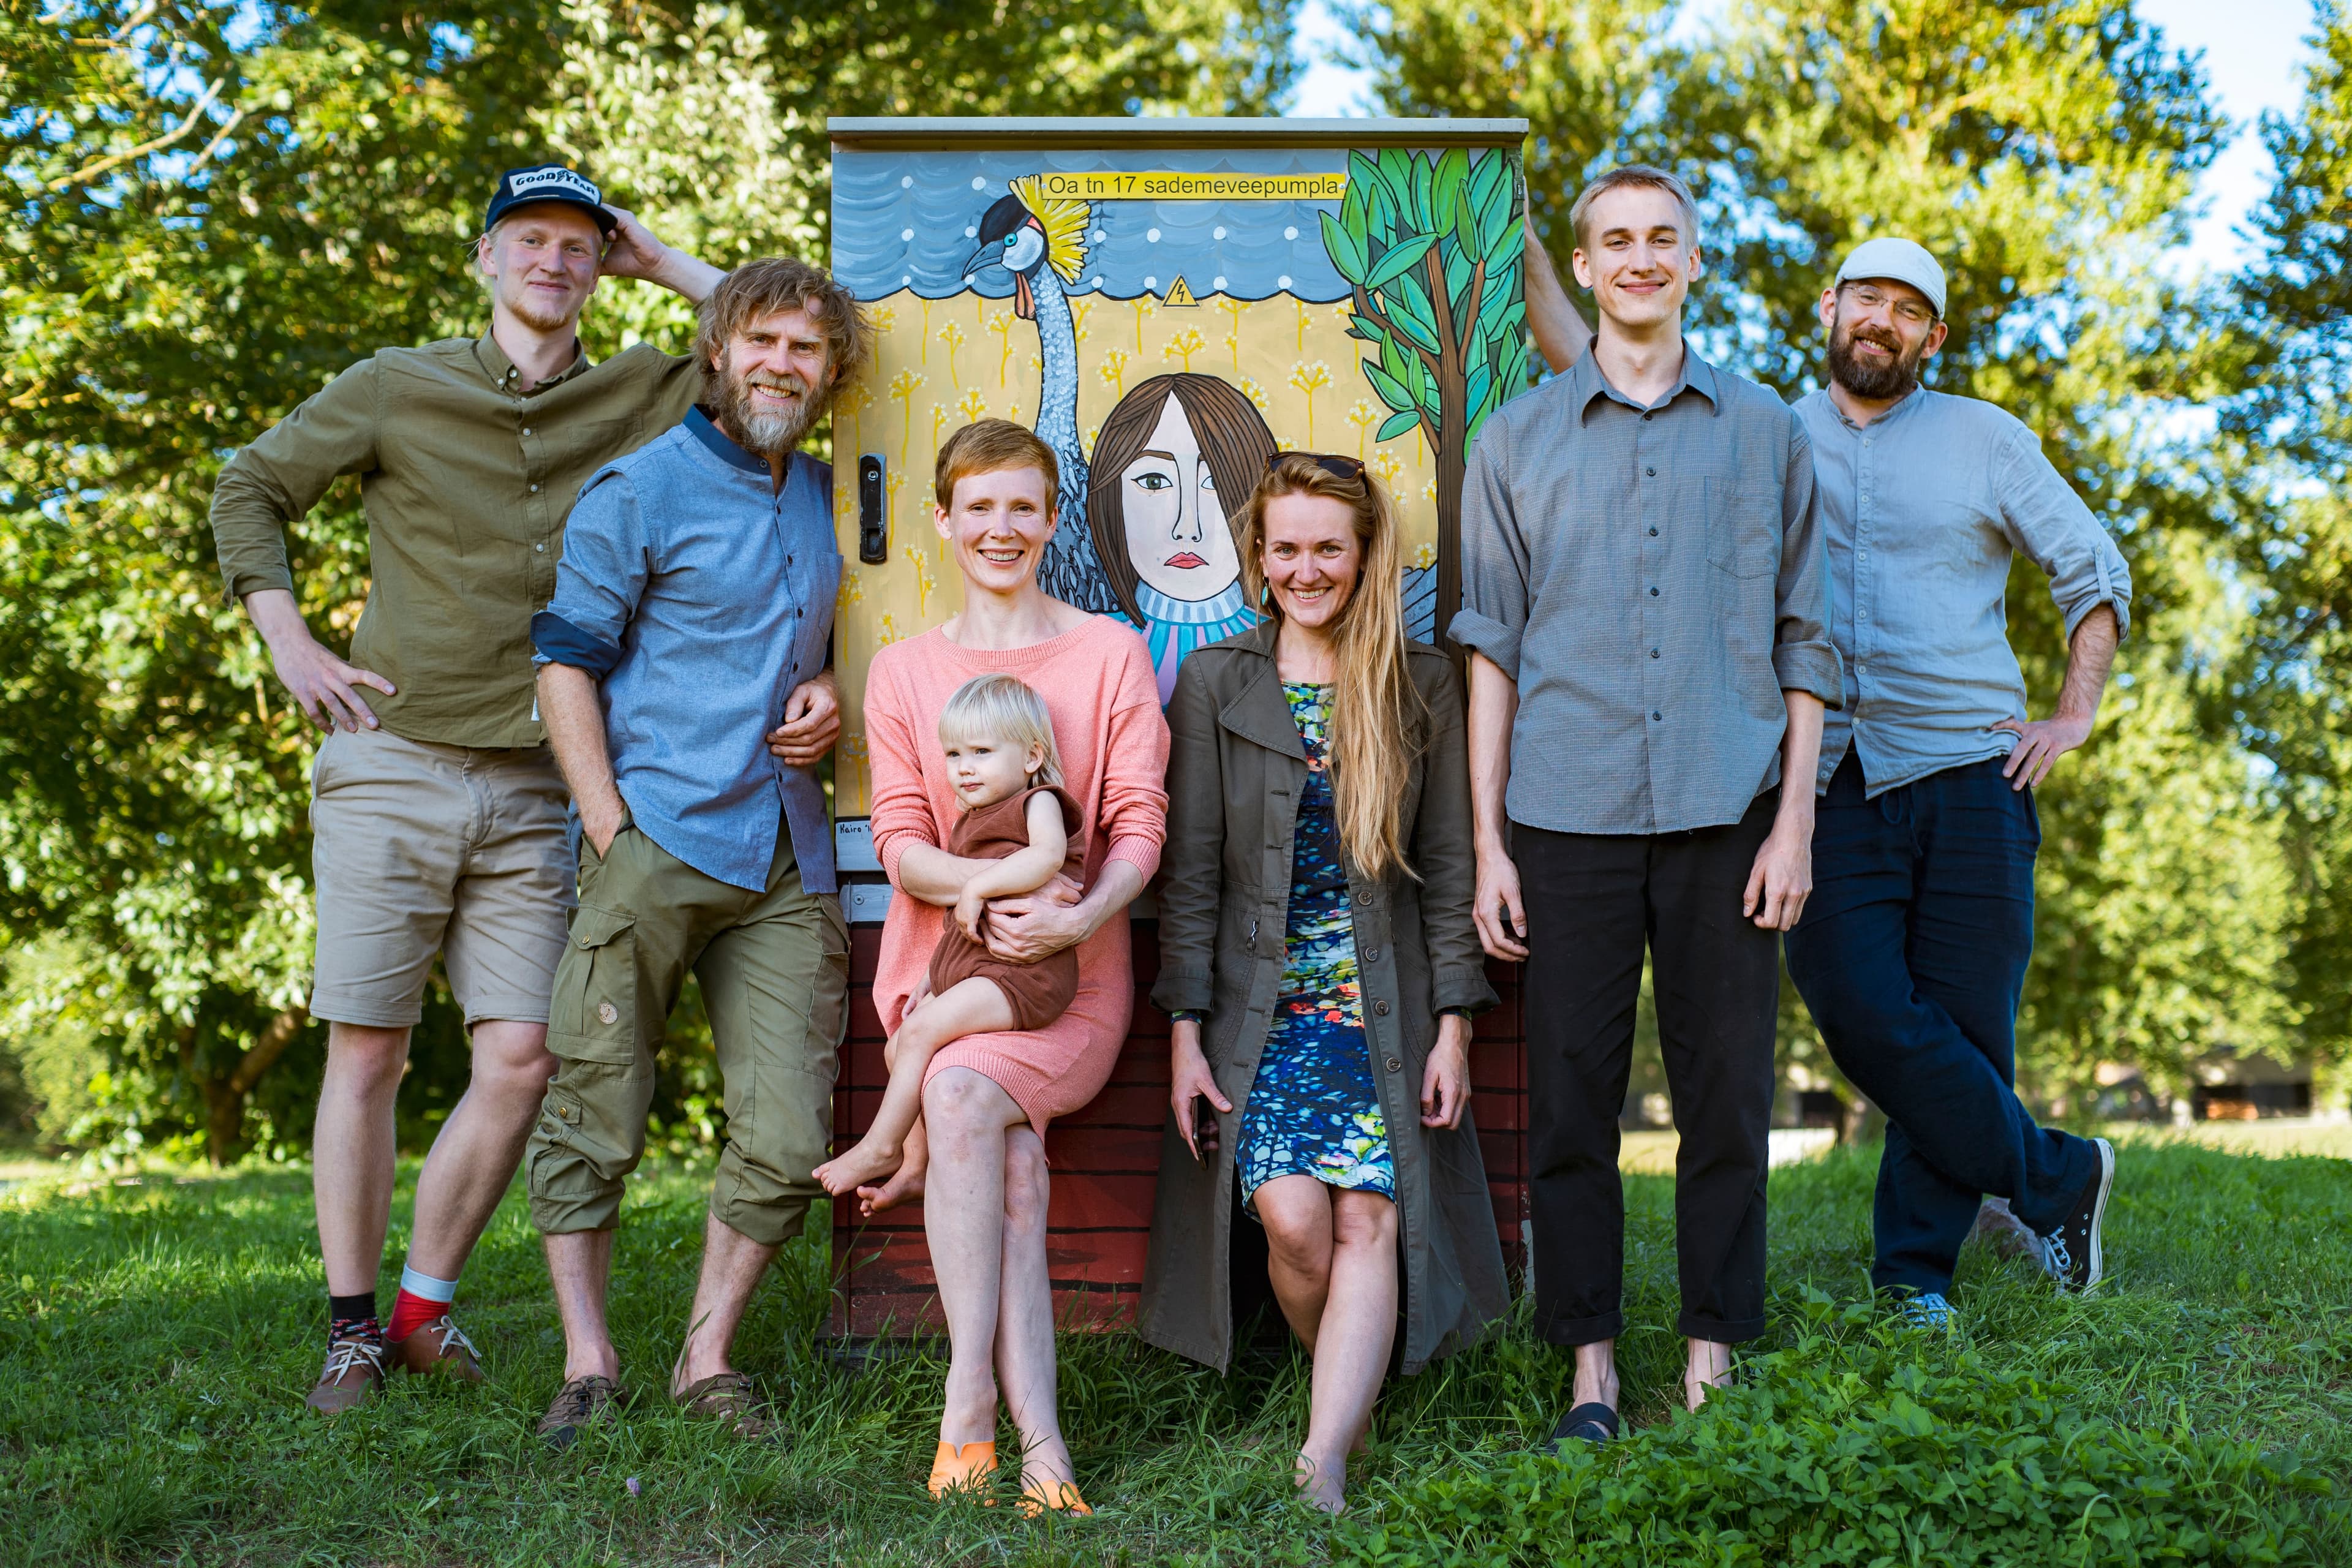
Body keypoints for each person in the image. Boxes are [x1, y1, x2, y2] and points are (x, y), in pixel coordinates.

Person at [208, 163, 725, 1412]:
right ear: (485, 257)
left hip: (544, 781)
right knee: (370, 1048)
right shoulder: (397, 385)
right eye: (527, 239)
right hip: (393, 757)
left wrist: (664, 260)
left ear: (602, 265)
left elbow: (786, 342)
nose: (553, 260)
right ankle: (350, 1330)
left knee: (524, 1056)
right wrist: (291, 644)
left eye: (578, 244)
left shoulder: (644, 387)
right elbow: (250, 486)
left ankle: (421, 1309)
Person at [1450, 166, 1842, 1444]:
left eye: (1662, 238)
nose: (1640, 258)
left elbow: (1806, 638)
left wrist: (1796, 824)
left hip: (1730, 810)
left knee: (1728, 1098)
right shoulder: (1515, 442)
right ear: (1583, 264)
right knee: (1572, 1101)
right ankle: (1593, 1371)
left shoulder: (1767, 430)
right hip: (1565, 812)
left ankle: (1712, 1356)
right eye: (1615, 240)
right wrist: (1490, 843)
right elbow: (1492, 650)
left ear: (1694, 261)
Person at [522, 257, 861, 1447]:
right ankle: (588, 1363)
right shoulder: (641, 487)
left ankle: (705, 1359)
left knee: (789, 1134)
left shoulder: (832, 497)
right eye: (760, 340)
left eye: (806, 348)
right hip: (657, 838)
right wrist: (610, 829)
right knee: (593, 1107)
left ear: (831, 372)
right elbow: (563, 664)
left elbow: (848, 638)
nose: (782, 364)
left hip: (788, 856)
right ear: (717, 351)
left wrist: (834, 689)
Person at [1144, 452, 1506, 1514]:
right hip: (1261, 1019)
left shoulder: (1419, 684)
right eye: (1287, 548)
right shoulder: (1216, 682)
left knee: (1366, 1221)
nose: (1307, 570)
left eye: (1329, 549)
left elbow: (1450, 873)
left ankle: (1324, 1461)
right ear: (1259, 556)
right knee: (1295, 1222)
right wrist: (1184, 1034)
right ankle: (1354, 1398)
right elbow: (1190, 879)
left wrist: (1454, 1029)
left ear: (1364, 555)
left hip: (1379, 1013)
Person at [1777, 239, 2127, 1324]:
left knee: (1969, 1030)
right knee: (1860, 1009)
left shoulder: (1988, 438)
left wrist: (2074, 713)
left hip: (1977, 772)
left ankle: (1914, 1279)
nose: (1881, 320)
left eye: (1906, 310)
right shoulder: (1767, 435)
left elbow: (2092, 568)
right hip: (1828, 778)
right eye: (1866, 299)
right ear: (1830, 307)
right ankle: (2059, 1176)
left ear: (1933, 337)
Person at [861, 418, 1168, 1515]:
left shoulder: (1110, 653)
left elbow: (1139, 826)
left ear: (1051, 520)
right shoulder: (903, 672)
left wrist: (1078, 917)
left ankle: (966, 1407)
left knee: (957, 1094)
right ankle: (1041, 1451)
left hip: (1070, 984)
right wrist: (992, 889)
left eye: (1022, 507)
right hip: (941, 978)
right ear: (944, 521)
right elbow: (899, 842)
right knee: (1010, 1166)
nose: (1001, 528)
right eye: (979, 507)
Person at [813, 674, 1084, 1197]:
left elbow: (1049, 856)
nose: (964, 767)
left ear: (1032, 756)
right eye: (954, 754)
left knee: (920, 1035)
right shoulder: (972, 822)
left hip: (1027, 973)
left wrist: (975, 885)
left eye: (982, 752)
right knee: (900, 1046)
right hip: (978, 966)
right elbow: (963, 926)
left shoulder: (1038, 803)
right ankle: (918, 1166)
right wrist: (932, 976)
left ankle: (881, 1147)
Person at [1087, 373, 1278, 701]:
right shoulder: (1087, 646)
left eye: (1215, 482)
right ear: (1111, 500)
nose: (1187, 528)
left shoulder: (1289, 647)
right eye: (1153, 482)